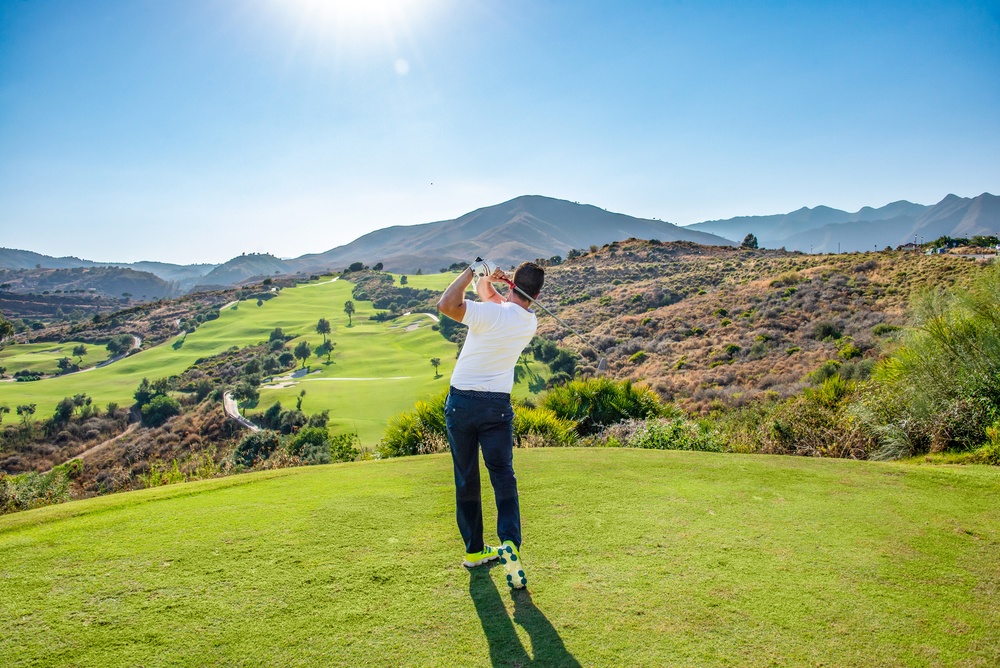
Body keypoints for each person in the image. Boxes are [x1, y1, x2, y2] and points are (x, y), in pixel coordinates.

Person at [436, 259, 545, 589]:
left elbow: (447, 305)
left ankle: (473, 551)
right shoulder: (529, 322)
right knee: (503, 475)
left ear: (513, 285)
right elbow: (491, 298)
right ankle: (509, 542)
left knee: (466, 476)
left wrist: (473, 270)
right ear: (536, 293)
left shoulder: (492, 314)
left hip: (463, 404)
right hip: (497, 408)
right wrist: (489, 279)